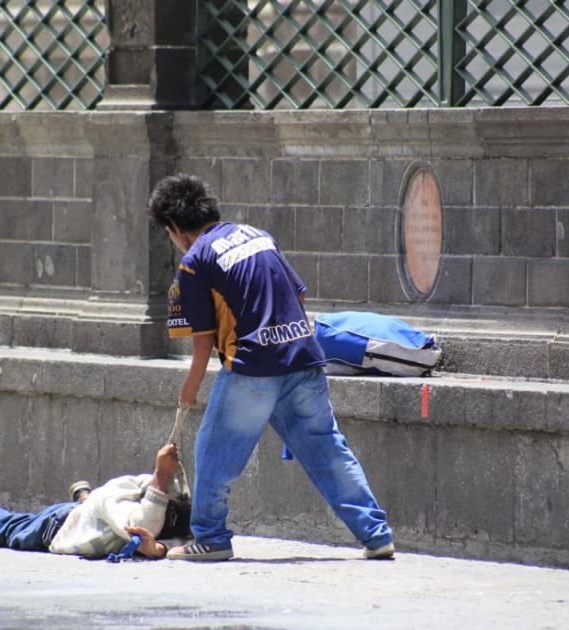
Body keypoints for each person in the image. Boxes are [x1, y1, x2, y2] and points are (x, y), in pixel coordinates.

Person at [147, 173, 395, 562]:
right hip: (303, 357)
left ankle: (210, 538)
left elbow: (202, 340)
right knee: (328, 450)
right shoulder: (258, 236)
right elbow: (298, 292)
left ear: (176, 229)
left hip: (252, 368)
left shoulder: (196, 261)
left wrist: (189, 389)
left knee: (213, 452)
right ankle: (376, 534)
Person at [0, 442, 191, 559]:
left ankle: (84, 502)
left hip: (92, 518)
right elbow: (143, 526)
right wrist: (161, 476)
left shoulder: (178, 508)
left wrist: (158, 548)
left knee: (90, 509)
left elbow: (180, 541)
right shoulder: (122, 495)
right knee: (12, 530)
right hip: (59, 525)